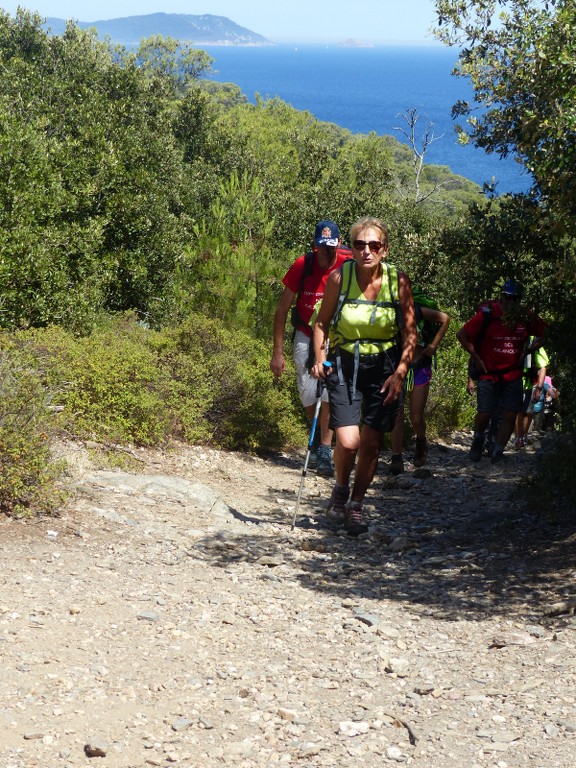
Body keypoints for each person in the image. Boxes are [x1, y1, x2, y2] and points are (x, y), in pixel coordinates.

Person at [311, 215, 416, 535]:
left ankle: (355, 505)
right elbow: (321, 324)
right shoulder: (339, 279)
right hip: (344, 364)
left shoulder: (398, 281)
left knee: (371, 445)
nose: (367, 250)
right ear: (352, 248)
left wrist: (400, 371)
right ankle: (341, 488)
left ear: (385, 249)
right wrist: (319, 358)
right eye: (360, 244)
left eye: (374, 245)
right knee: (349, 440)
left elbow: (410, 333)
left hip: (385, 369)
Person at [270, 220, 351, 476]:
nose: (325, 252)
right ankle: (318, 440)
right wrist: (277, 352)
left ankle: (325, 449)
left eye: (329, 246)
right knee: (307, 391)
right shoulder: (303, 265)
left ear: (338, 242)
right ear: (314, 245)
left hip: (336, 335)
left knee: (327, 392)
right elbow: (282, 310)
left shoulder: (349, 264)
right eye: (320, 246)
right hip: (305, 331)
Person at [456, 279, 546, 464]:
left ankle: (498, 451)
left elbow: (546, 332)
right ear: (501, 297)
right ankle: (478, 438)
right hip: (488, 373)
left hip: (513, 375)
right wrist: (475, 356)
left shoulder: (525, 317)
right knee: (485, 413)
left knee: (510, 414)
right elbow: (461, 334)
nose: (510, 302)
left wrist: (529, 349)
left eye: (515, 299)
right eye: (507, 297)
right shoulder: (487, 315)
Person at [389, 298, 450, 473]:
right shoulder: (387, 311)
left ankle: (421, 442)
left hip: (420, 364)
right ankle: (396, 457)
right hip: (396, 367)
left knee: (416, 416)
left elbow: (445, 319)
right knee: (397, 415)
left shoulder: (417, 309)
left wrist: (434, 345)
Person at [514, 339, 550, 448]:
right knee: (517, 411)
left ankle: (522, 436)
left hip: (530, 382)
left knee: (528, 411)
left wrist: (539, 387)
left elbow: (543, 366)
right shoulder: (513, 337)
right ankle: (519, 437)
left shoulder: (534, 342)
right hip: (514, 381)